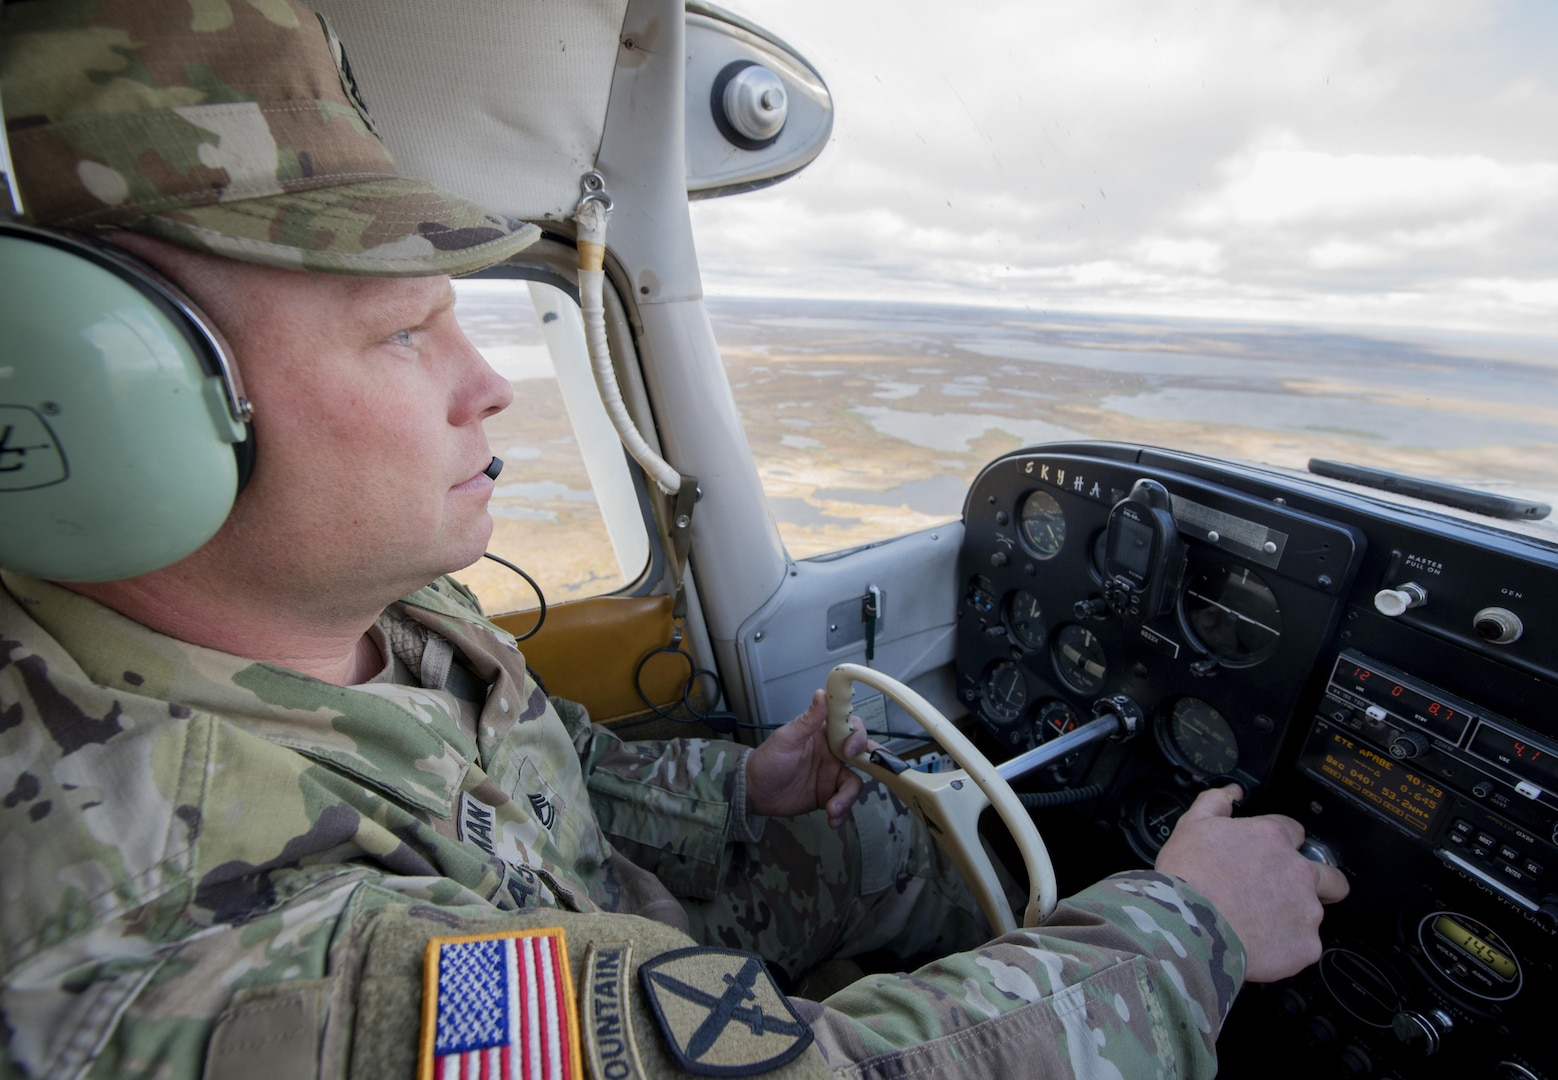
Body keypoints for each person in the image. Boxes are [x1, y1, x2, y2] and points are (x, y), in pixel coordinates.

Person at [0, 3, 1348, 1078]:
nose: (485, 385)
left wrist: (737, 793)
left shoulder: (371, 626)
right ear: (126, 422)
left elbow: (535, 768)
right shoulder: (192, 946)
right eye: (403, 334)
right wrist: (1191, 933)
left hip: (597, 912)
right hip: (614, 968)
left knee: (890, 846)